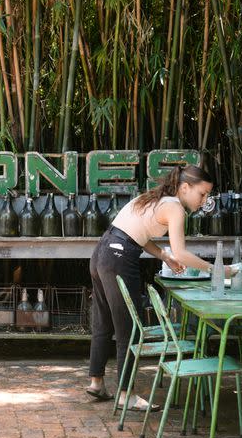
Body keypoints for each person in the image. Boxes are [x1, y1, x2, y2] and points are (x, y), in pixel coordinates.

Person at [86, 164, 234, 409]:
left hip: (103, 251)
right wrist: (218, 269)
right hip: (120, 259)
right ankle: (126, 394)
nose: (205, 200)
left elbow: (137, 235)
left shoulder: (154, 199)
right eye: (202, 194)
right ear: (185, 187)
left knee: (104, 320)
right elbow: (182, 253)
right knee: (131, 329)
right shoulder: (175, 209)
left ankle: (97, 382)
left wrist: (164, 256)